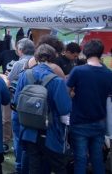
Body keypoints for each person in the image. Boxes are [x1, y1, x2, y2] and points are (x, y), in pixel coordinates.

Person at [14, 44, 72, 173]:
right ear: (53, 59)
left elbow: (17, 101)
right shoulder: (56, 81)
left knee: (33, 166)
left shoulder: (25, 75)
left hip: (28, 129)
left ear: (36, 57)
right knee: (58, 166)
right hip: (50, 130)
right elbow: (64, 108)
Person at [67, 39, 112, 174]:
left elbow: (66, 92)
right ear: (101, 53)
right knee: (97, 158)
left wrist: (75, 94)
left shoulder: (78, 71)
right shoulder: (108, 73)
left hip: (79, 121)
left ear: (85, 52)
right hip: (99, 121)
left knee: (80, 159)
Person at [7, 38, 35, 174]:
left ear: (21, 50)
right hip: (35, 106)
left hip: (19, 105)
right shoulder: (37, 61)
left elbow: (9, 80)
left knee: (18, 137)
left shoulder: (19, 64)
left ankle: (19, 167)